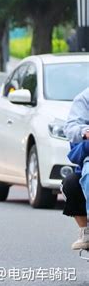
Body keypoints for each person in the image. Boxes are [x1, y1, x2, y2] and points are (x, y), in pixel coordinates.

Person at [62, 87, 89, 250]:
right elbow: (71, 128)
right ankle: (87, 232)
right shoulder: (85, 98)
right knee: (79, 180)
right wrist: (85, 131)